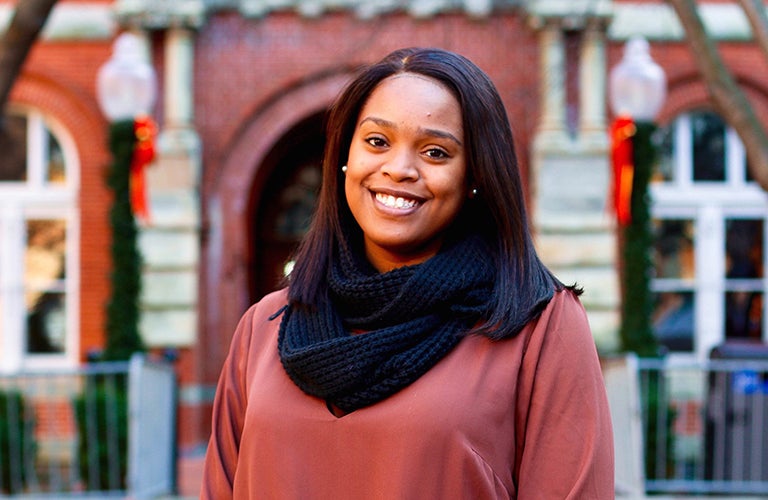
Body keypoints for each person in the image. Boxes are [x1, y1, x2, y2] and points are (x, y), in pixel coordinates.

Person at [201, 47, 614, 499]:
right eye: (377, 142)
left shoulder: (538, 327)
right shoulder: (262, 328)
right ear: (344, 156)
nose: (398, 169)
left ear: (475, 175)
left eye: (435, 152)